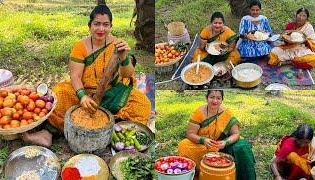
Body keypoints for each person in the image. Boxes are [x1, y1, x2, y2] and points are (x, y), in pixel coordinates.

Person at [22, 5, 151, 147]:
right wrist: (82, 95)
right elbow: (75, 76)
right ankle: (48, 134)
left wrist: (123, 57)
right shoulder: (81, 46)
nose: (101, 29)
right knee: (60, 93)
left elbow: (127, 74)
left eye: (105, 25)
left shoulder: (117, 44)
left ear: (111, 26)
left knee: (143, 104)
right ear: (89, 25)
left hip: (112, 92)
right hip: (84, 92)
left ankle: (116, 130)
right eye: (97, 24)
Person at [178, 90, 256, 180]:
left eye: (218, 98)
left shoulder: (227, 112)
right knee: (183, 145)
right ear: (206, 98)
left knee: (242, 146)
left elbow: (236, 133)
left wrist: (225, 142)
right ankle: (198, 173)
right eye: (212, 97)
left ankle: (238, 175)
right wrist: (203, 140)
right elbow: (190, 133)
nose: (215, 101)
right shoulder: (199, 112)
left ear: (222, 100)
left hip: (221, 144)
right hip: (202, 144)